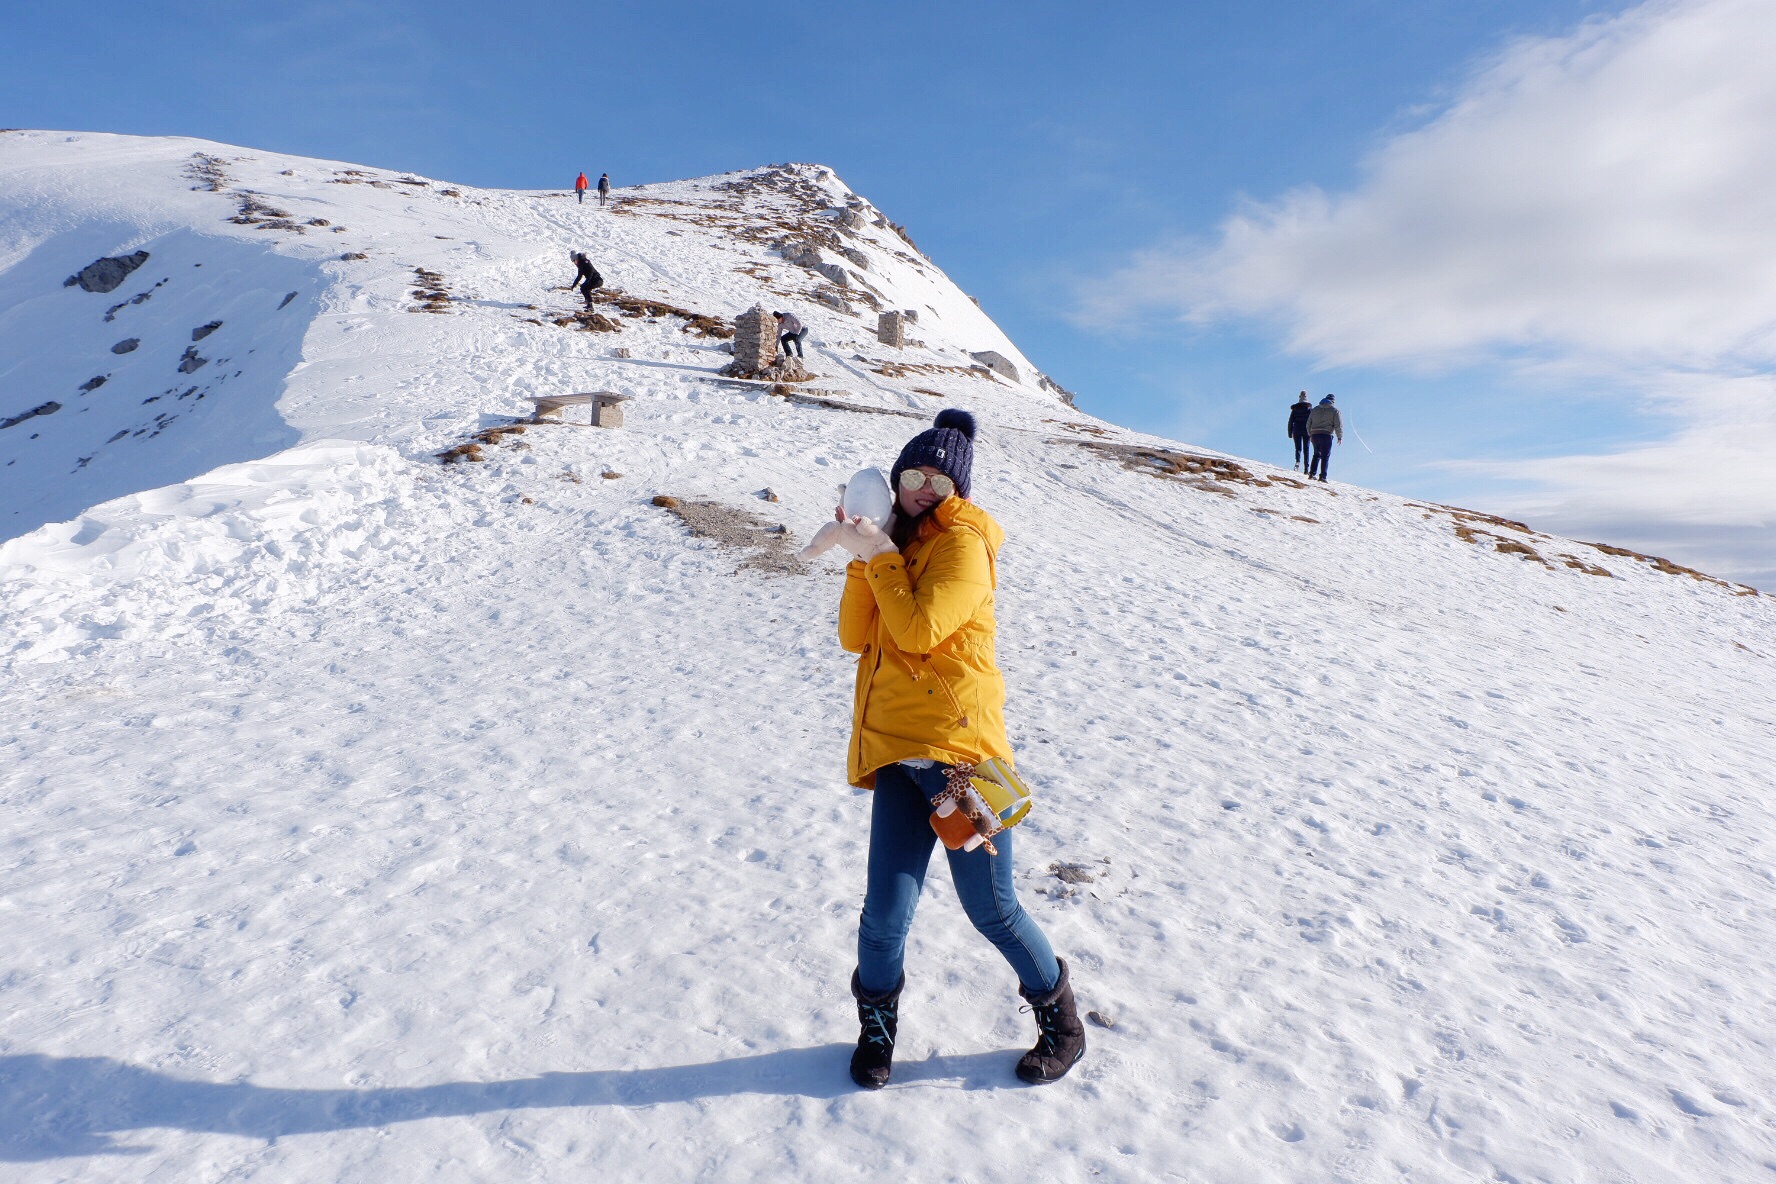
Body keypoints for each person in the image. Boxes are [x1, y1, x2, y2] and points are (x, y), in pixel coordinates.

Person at [829, 409, 1086, 1090]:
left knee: (992, 910)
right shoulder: (899, 546)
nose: (922, 488)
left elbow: (915, 633)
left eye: (939, 481)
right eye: (913, 474)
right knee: (884, 915)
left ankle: (1063, 1022)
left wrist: (881, 558)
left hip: (960, 762)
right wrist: (868, 553)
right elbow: (857, 636)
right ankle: (876, 1030)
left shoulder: (964, 547)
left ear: (958, 491)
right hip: (898, 758)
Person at [1306, 394, 1342, 482]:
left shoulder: (1315, 409)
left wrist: (1310, 434)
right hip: (1326, 435)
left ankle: (1311, 473)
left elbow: (1308, 424)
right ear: (1333, 401)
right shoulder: (1335, 411)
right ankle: (1322, 476)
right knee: (1325, 456)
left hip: (1314, 434)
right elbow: (1338, 425)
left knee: (1316, 454)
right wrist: (1339, 437)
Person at [1287, 391, 1312, 472]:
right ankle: (1306, 468)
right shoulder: (1309, 409)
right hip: (1306, 430)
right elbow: (1312, 421)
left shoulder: (1295, 409)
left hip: (1296, 429)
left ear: (1299, 397)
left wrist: (1290, 432)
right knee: (1306, 449)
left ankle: (1297, 461)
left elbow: (1291, 421)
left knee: (1298, 448)